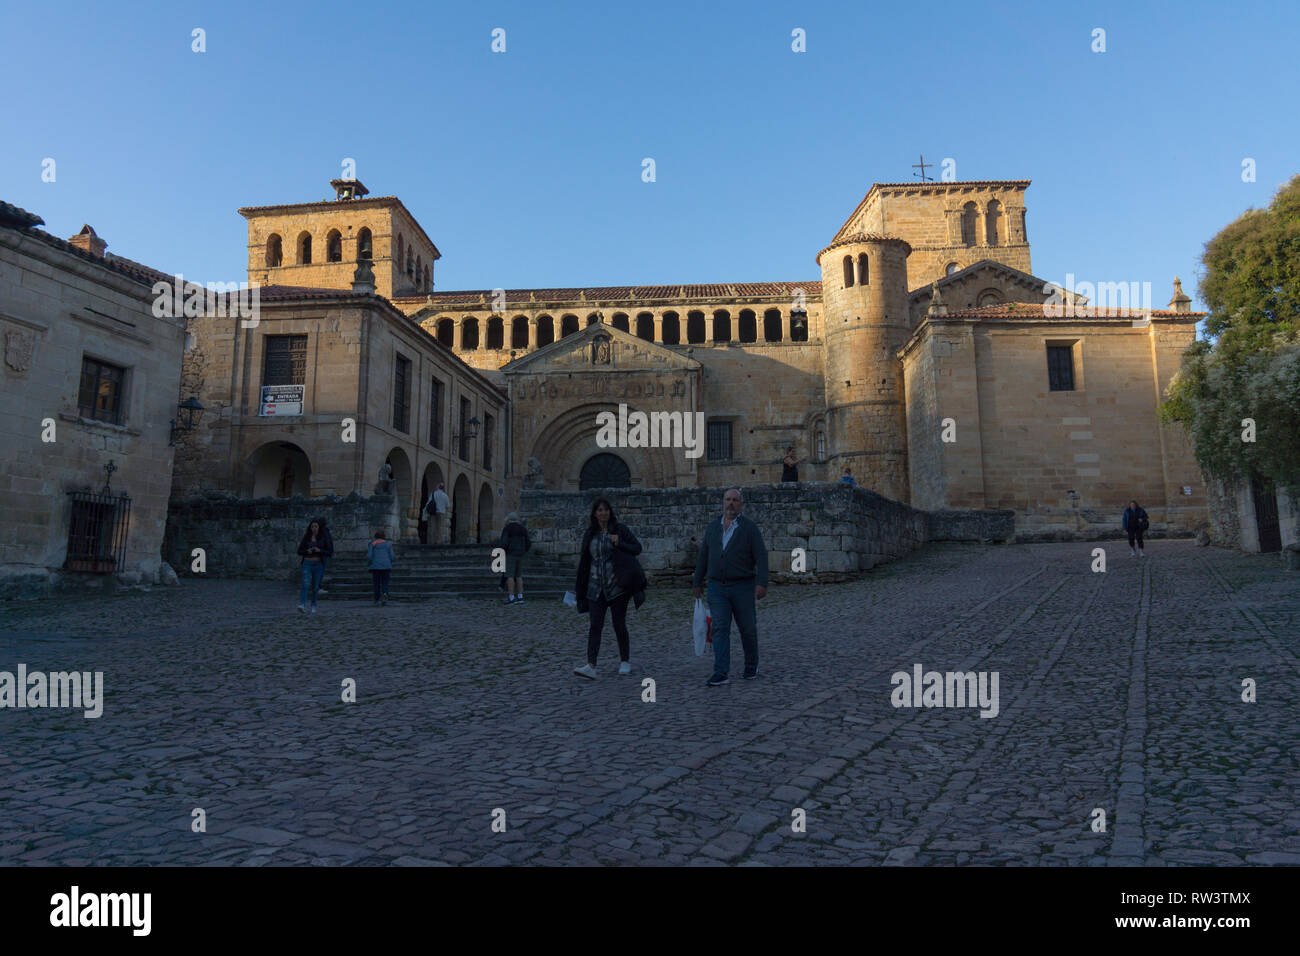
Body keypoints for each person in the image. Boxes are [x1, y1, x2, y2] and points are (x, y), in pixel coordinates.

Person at [693, 488, 768, 685]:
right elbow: (703, 556)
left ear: (741, 504)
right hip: (717, 587)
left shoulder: (749, 528)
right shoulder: (712, 527)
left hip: (742, 586)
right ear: (723, 502)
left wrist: (762, 583)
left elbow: (761, 555)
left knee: (748, 628)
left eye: (735, 500)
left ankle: (751, 666)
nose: (731, 503)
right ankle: (721, 672)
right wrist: (697, 581)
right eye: (728, 500)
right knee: (719, 628)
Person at [573, 498, 645, 679]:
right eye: (599, 510)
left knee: (619, 624)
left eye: (605, 509)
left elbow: (637, 548)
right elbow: (584, 561)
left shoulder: (620, 530)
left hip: (617, 586)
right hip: (595, 586)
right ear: (595, 514)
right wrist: (579, 587)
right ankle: (591, 665)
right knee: (595, 625)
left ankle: (625, 661)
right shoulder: (590, 534)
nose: (603, 513)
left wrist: (619, 542)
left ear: (610, 512)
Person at [297, 517, 334, 613]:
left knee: (315, 586)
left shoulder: (323, 538)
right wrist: (306, 551)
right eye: (312, 526)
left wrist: (320, 550)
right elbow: (299, 551)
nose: (314, 528)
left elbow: (329, 551)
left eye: (316, 526)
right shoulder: (306, 538)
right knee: (305, 584)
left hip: (318, 564)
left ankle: (313, 605)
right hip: (307, 563)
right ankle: (302, 604)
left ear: (319, 527)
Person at [499, 512, 531, 604]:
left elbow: (504, 543)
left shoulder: (507, 529)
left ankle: (511, 597)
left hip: (510, 554)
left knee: (510, 576)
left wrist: (502, 551)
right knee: (519, 576)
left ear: (509, 520)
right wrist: (524, 551)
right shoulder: (523, 529)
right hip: (520, 555)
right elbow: (528, 543)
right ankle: (520, 597)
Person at [367, 528, 396, 606]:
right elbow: (392, 556)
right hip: (386, 566)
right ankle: (385, 593)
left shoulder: (372, 544)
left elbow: (369, 556)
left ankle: (377, 599)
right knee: (385, 582)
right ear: (384, 537)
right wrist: (389, 561)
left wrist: (369, 563)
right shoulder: (388, 544)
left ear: (376, 536)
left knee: (376, 583)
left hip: (375, 566)